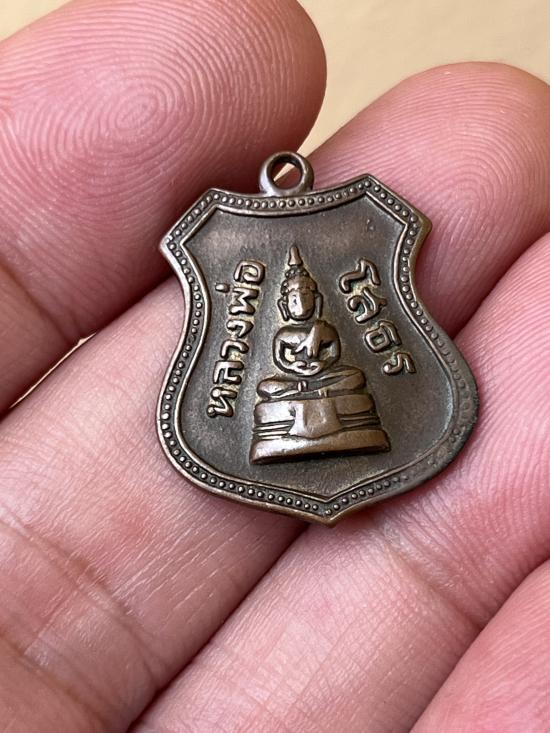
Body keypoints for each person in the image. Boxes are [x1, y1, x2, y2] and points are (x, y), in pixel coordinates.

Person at [1, 1, 549, 731]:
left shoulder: (319, 322)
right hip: (292, 396)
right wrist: (295, 359)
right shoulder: (282, 323)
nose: (299, 309)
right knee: (276, 380)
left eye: (302, 300)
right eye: (293, 301)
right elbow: (288, 357)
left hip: (333, 390)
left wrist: (317, 354)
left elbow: (327, 352)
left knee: (336, 374)